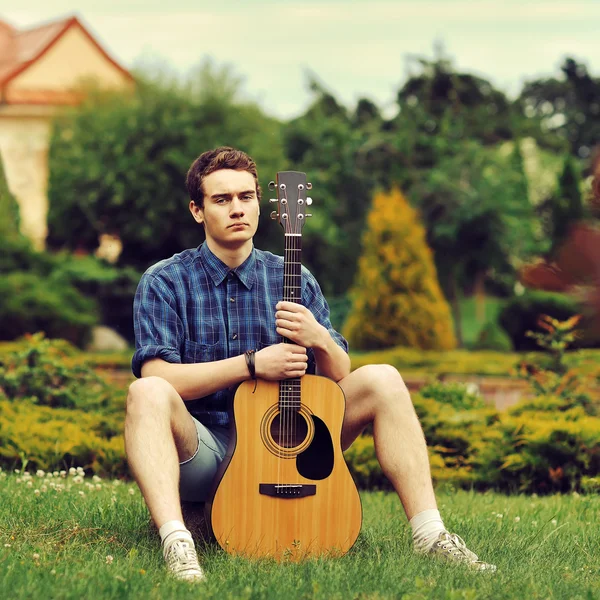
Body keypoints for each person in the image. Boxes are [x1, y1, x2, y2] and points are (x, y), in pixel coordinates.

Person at [126, 146, 496, 582]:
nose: (237, 209)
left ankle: (431, 535)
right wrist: (252, 364)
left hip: (286, 443)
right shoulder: (165, 280)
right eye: (221, 200)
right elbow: (158, 376)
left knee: (383, 379)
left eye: (246, 197)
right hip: (204, 448)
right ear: (197, 210)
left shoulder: (293, 277)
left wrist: (319, 338)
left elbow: (341, 379)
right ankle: (178, 542)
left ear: (264, 205)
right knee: (145, 392)